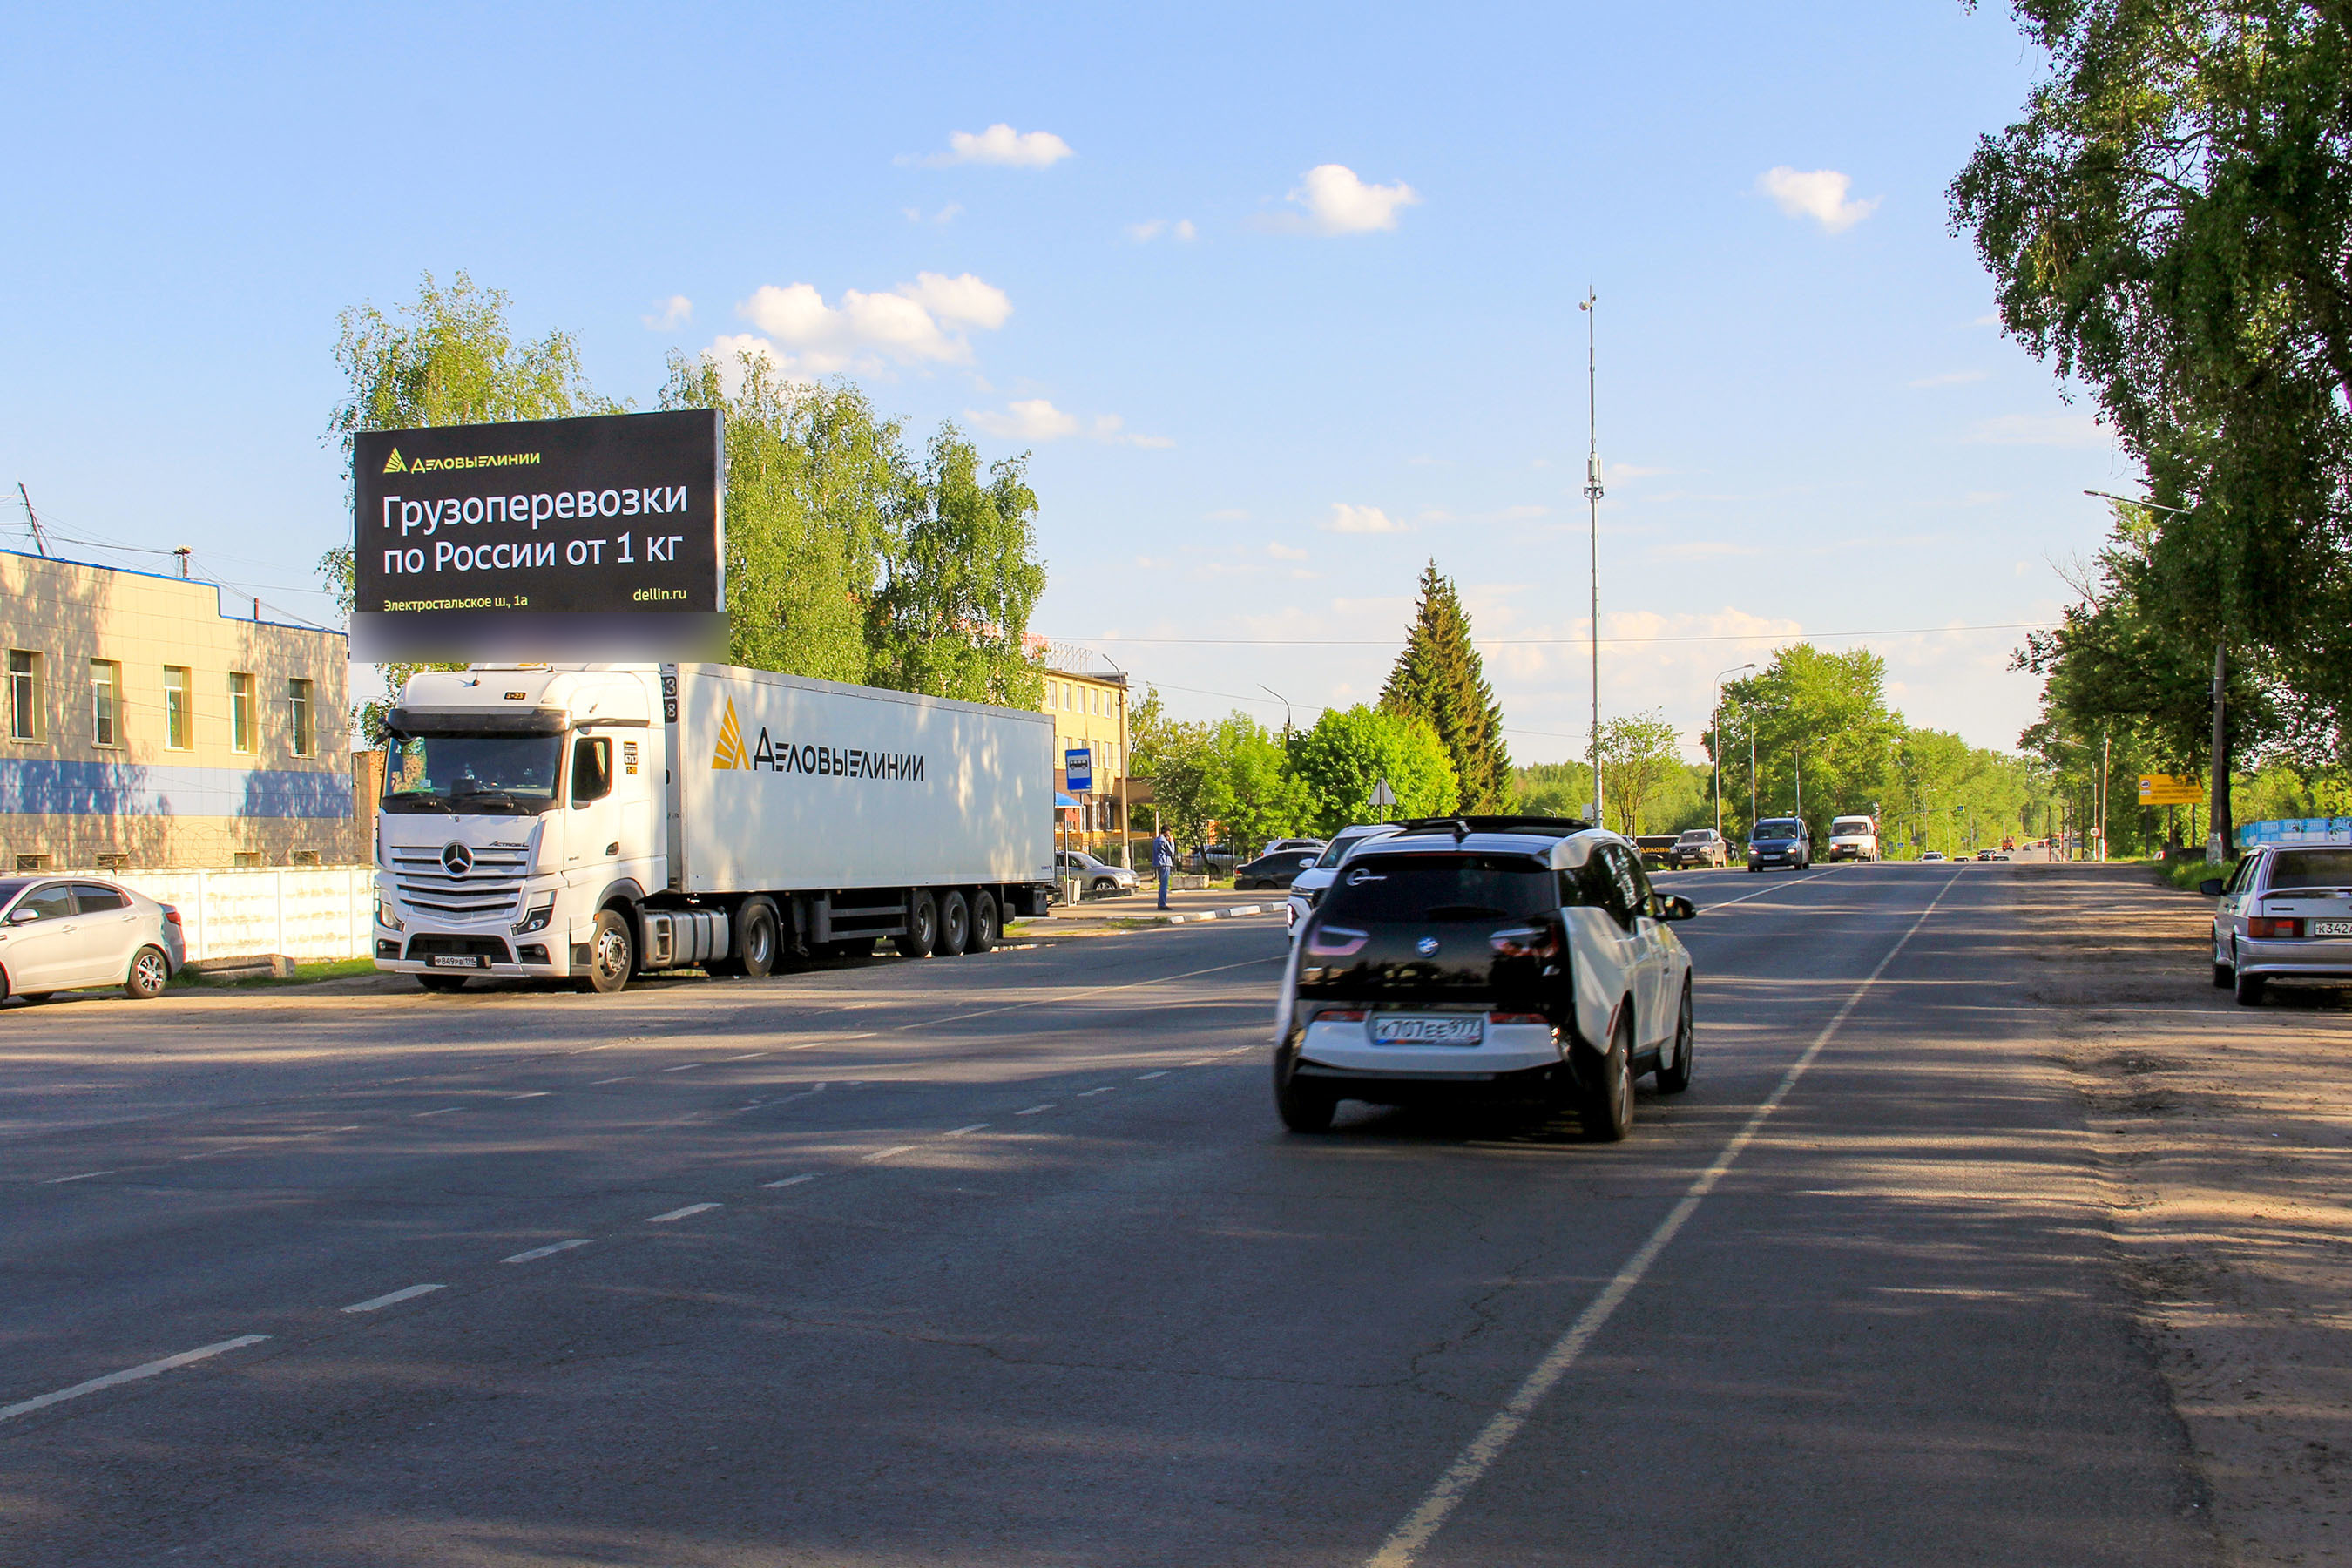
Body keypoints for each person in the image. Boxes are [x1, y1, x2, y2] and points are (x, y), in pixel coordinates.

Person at [1152, 828, 1176, 909]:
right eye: (1169, 832)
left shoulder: (1156, 840)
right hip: (1165, 863)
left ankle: (1160, 903)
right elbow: (1171, 852)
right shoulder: (1164, 841)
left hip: (1158, 863)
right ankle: (1162, 904)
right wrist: (1171, 842)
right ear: (1166, 832)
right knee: (1164, 885)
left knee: (1162, 883)